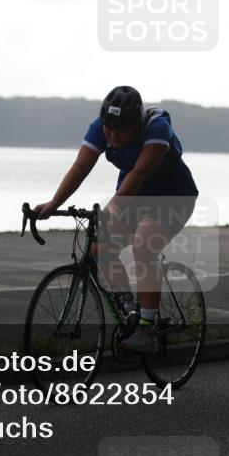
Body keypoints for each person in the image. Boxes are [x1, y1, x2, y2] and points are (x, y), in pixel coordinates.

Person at [34, 86, 199, 352]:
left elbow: (139, 173)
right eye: (109, 129)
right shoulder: (102, 128)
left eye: (120, 130)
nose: (112, 135)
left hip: (173, 197)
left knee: (144, 245)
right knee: (100, 250)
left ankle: (147, 329)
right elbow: (80, 167)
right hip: (134, 198)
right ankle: (130, 309)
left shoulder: (156, 128)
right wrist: (55, 203)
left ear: (135, 124)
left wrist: (111, 209)